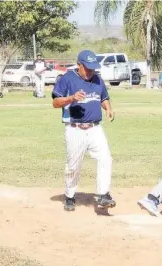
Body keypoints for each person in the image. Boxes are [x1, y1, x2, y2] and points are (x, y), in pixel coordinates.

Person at [51, 50, 116, 212]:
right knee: (73, 166)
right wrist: (71, 98)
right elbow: (56, 102)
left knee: (105, 159)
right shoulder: (67, 79)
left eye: (93, 68)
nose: (90, 71)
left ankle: (103, 195)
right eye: (87, 68)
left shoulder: (97, 79)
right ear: (79, 64)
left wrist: (108, 108)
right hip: (75, 129)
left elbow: (103, 97)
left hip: (95, 128)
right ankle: (70, 196)